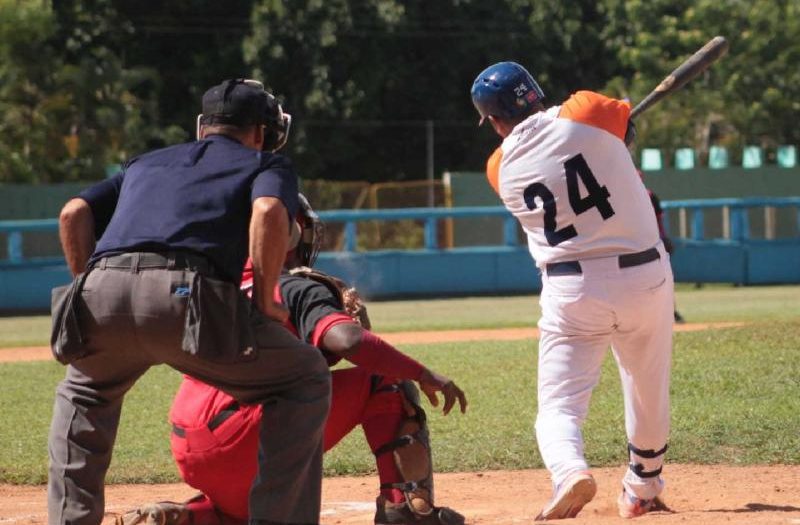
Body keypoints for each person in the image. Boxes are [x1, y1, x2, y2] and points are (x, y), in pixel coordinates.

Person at [48, 79, 332, 525]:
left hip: (101, 287)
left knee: (84, 392)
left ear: (203, 126)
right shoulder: (265, 162)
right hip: (187, 295)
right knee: (304, 376)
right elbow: (267, 212)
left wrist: (89, 286)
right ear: (260, 132)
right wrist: (264, 298)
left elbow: (73, 213)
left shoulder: (146, 162)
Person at [115, 196, 467, 525]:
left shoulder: (210, 282)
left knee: (257, 508)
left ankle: (192, 516)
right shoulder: (296, 285)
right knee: (386, 379)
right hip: (247, 435)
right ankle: (407, 509)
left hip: (188, 440)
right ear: (292, 233)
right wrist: (424, 372)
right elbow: (348, 342)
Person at [470, 62, 674, 520]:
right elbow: (627, 131)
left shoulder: (498, 168)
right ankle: (642, 486)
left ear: (494, 120)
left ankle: (569, 470)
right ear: (535, 93)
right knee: (646, 387)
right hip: (644, 276)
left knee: (558, 406)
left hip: (570, 289)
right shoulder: (584, 108)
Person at [637, 171, 685, 324]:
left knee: (663, 277)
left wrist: (663, 238)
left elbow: (659, 220)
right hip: (638, 245)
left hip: (652, 243)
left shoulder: (649, 195)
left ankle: (670, 311)